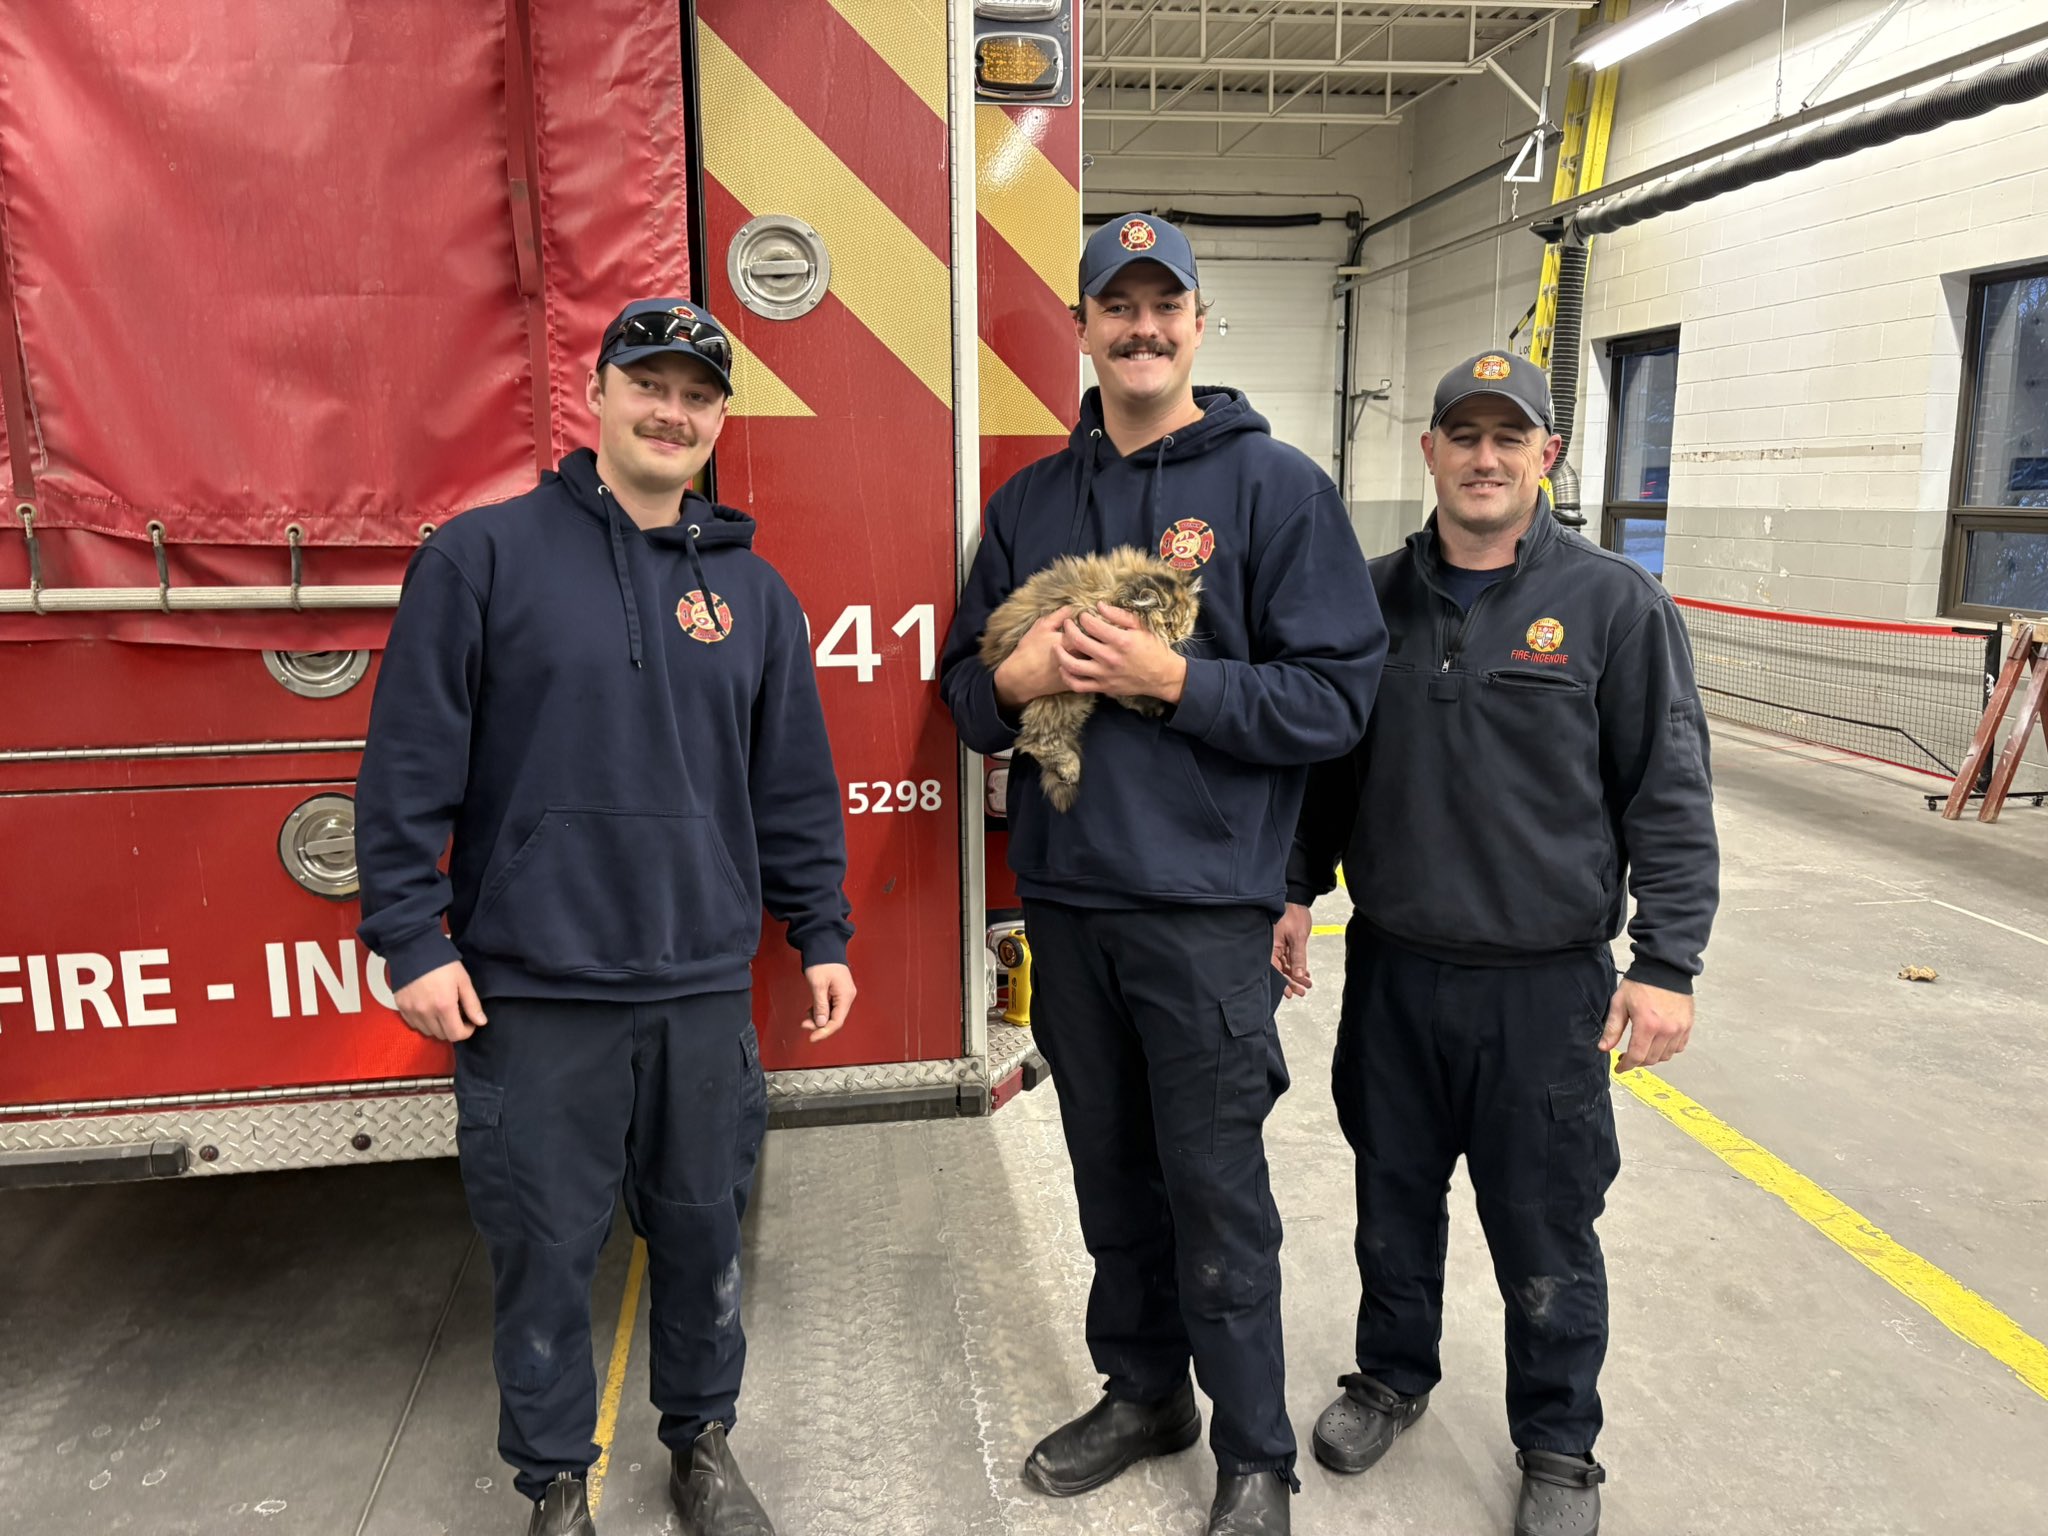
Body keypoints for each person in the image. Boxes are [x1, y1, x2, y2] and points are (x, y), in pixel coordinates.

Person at [356, 298, 855, 1536]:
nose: (670, 412)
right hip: (534, 992)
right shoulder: (481, 560)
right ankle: (553, 1482)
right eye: (649, 384)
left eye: (696, 395)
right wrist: (411, 939)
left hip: (700, 991)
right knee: (543, 1249)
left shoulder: (754, 594)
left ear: (719, 420)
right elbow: (407, 766)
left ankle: (702, 1444)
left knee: (702, 1236)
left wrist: (820, 929)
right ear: (596, 393)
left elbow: (791, 783)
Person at [940, 213, 1386, 1535]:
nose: (1141, 328)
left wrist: (1172, 680)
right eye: (1116, 306)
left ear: (1197, 323)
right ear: (1082, 327)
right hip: (1070, 904)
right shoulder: (1029, 504)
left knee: (1213, 1188)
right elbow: (962, 695)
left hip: (1203, 914)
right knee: (1109, 1172)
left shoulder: (1276, 490)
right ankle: (1143, 1394)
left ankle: (1254, 1453)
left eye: (1163, 305)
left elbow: (1334, 702)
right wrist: (1014, 680)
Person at [1276, 350, 1719, 1536]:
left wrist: (1665, 963)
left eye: (1506, 438)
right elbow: (1326, 773)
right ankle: (1390, 1377)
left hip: (1544, 991)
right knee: (1390, 1198)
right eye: (1462, 436)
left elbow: (1667, 793)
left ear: (1544, 456)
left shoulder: (1614, 605)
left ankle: (1559, 1445)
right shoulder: (1366, 599)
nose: (1482, 458)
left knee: (1544, 1223)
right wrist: (1290, 889)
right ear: (1427, 450)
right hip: (1394, 971)